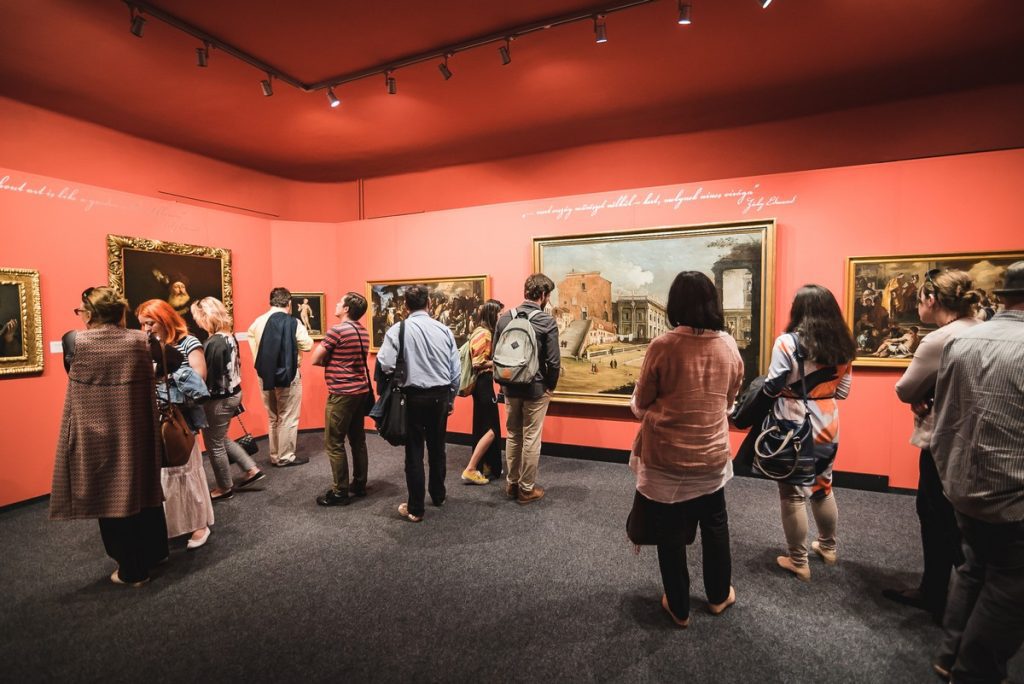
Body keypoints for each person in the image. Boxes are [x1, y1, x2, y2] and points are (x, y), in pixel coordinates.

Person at [630, 271, 744, 627]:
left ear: (675, 304)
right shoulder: (728, 345)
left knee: (670, 532)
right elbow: (729, 400)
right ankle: (717, 595)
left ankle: (678, 607)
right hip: (711, 454)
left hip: (667, 457)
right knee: (715, 523)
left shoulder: (663, 346)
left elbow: (641, 402)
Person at [930, 260, 1024, 683]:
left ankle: (948, 655)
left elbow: (942, 419)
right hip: (1014, 494)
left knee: (973, 568)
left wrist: (950, 475)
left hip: (964, 484)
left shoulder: (960, 341)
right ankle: (973, 671)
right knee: (1009, 585)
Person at [50, 287, 168, 586]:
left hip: (95, 432)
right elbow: (167, 366)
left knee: (110, 496)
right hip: (136, 428)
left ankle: (132, 571)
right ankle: (154, 554)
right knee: (142, 488)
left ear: (89, 313)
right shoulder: (142, 340)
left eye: (80, 311)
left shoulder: (75, 341)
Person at [885, 269, 981, 622]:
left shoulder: (939, 339)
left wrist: (923, 394)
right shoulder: (981, 326)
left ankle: (940, 592)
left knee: (935, 514)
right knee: (960, 517)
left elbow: (905, 389)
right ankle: (962, 591)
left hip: (942, 439)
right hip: (975, 437)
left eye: (920, 299)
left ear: (932, 299)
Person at [767, 285, 854, 582]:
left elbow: (772, 386)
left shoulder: (786, 343)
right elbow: (843, 391)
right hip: (828, 422)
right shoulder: (844, 344)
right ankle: (828, 547)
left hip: (794, 422)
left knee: (792, 493)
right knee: (823, 486)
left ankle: (798, 560)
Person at [377, 285, 460, 522]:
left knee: (414, 452)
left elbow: (385, 364)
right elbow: (455, 370)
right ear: (429, 304)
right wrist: (451, 398)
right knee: (438, 448)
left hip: (411, 397)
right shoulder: (444, 330)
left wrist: (404, 371)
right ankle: (439, 495)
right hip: (440, 396)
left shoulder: (398, 329)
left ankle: (416, 508)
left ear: (405, 306)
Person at [136, 299, 215, 550]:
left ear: (165, 319)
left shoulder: (187, 343)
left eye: (150, 323)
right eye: (142, 324)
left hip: (181, 420)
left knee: (186, 471)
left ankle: (198, 524)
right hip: (156, 419)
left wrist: (167, 372)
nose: (146, 328)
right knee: (164, 476)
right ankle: (173, 524)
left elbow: (199, 381)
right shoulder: (145, 345)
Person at [493, 274, 561, 504]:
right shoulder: (546, 321)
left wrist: (503, 383)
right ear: (542, 295)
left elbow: (496, 355)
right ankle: (526, 489)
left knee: (513, 435)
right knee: (531, 437)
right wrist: (550, 386)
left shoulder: (504, 319)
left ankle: (511, 484)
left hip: (510, 387)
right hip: (536, 388)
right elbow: (553, 361)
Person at [190, 297, 265, 501]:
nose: (197, 322)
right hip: (232, 394)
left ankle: (224, 487)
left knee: (214, 443)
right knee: (220, 437)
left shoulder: (214, 342)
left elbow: (209, 377)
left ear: (206, 316)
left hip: (219, 399)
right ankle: (251, 469)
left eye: (198, 317)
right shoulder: (228, 336)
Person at [311, 292, 372, 507]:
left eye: (340, 302)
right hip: (360, 391)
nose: (336, 304)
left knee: (334, 442)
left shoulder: (337, 331)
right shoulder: (363, 332)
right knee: (358, 439)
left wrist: (331, 361)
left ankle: (340, 491)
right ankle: (359, 483)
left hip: (341, 394)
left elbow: (315, 358)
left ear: (346, 309)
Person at [248, 287, 314, 467]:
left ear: (271, 301)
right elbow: (307, 345)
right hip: (288, 374)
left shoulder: (258, 322)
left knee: (273, 416)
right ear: (289, 302)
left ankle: (275, 455)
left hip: (264, 375)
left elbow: (253, 344)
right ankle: (285, 456)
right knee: (288, 416)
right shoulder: (293, 322)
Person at [460, 299, 505, 485]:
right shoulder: (484, 333)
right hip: (483, 384)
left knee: (483, 426)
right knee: (492, 429)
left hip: (484, 384)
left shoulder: (483, 332)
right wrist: (501, 362)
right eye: (500, 314)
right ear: (492, 314)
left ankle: (485, 465)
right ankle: (471, 468)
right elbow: (478, 363)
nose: (502, 317)